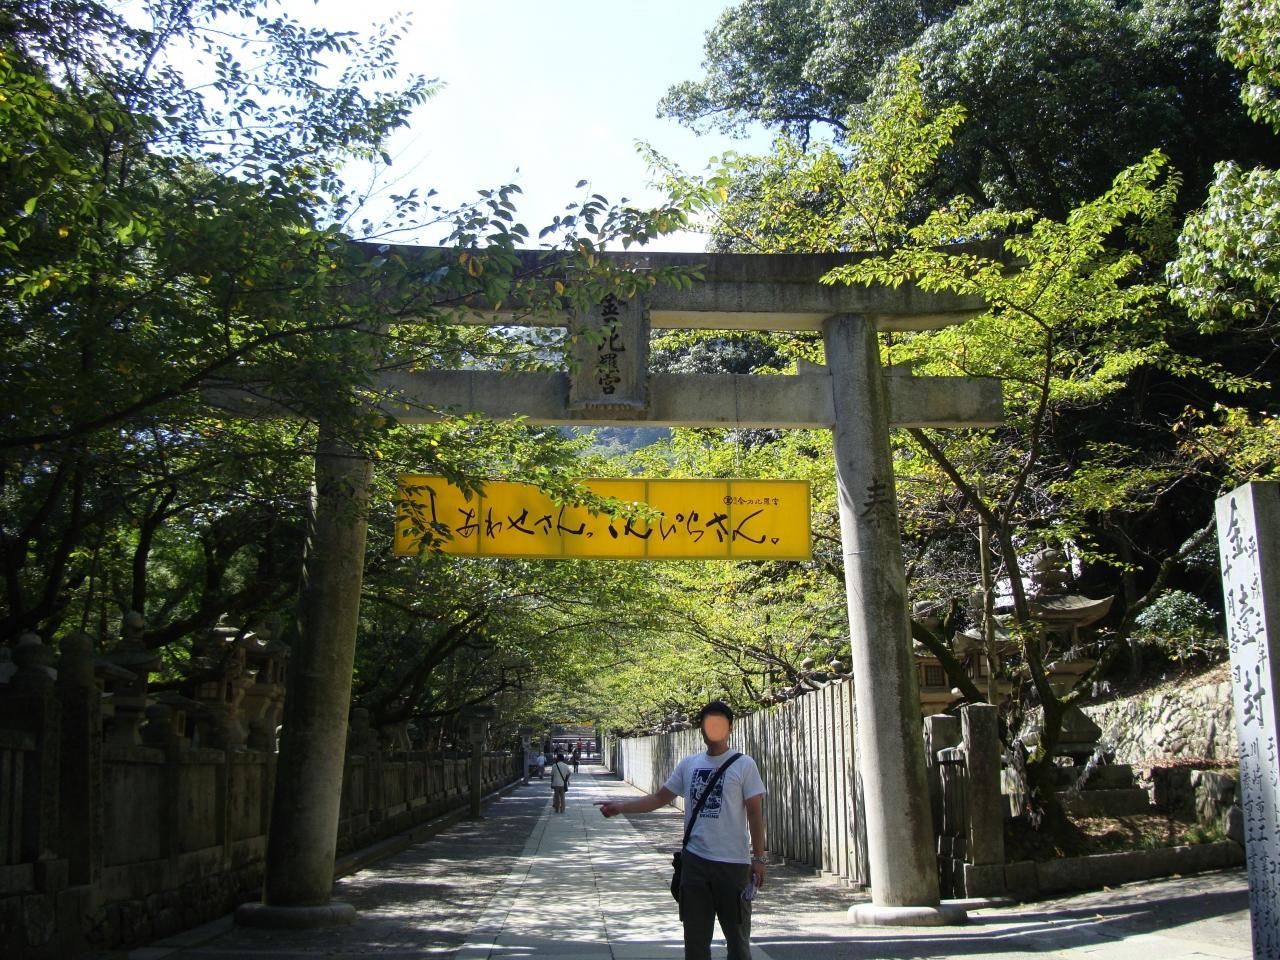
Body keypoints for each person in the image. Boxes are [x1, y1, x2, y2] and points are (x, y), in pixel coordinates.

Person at [595, 700, 766, 960]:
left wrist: (759, 858)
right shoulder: (689, 764)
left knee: (738, 941)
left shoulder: (744, 765)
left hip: (733, 865)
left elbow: (754, 813)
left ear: (730, 728)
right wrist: (621, 807)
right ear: (701, 728)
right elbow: (658, 798)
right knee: (695, 941)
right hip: (694, 863)